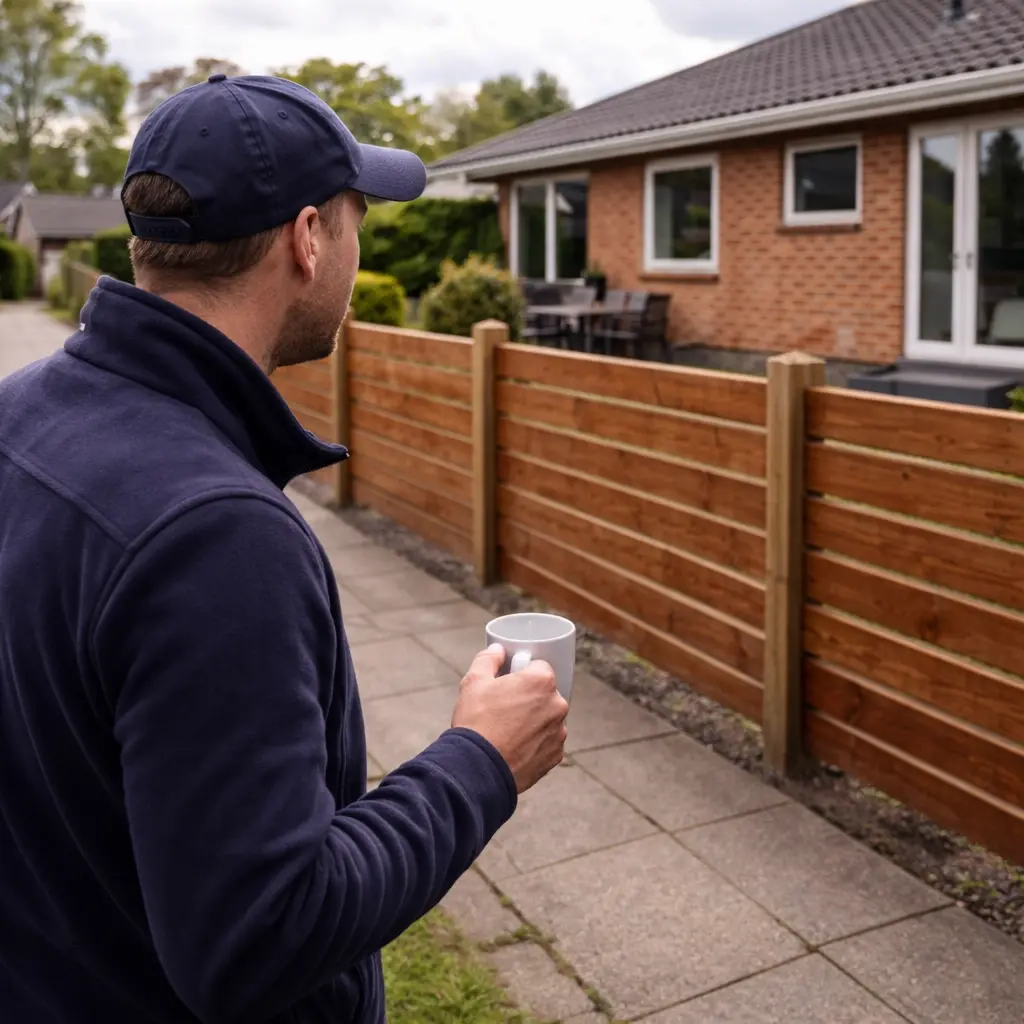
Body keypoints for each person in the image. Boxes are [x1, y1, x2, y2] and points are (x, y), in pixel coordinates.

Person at [0, 74, 569, 1024]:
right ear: (309, 239)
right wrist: (482, 760)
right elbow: (261, 935)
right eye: (355, 222)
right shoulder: (214, 537)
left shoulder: (18, 412)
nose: (355, 250)